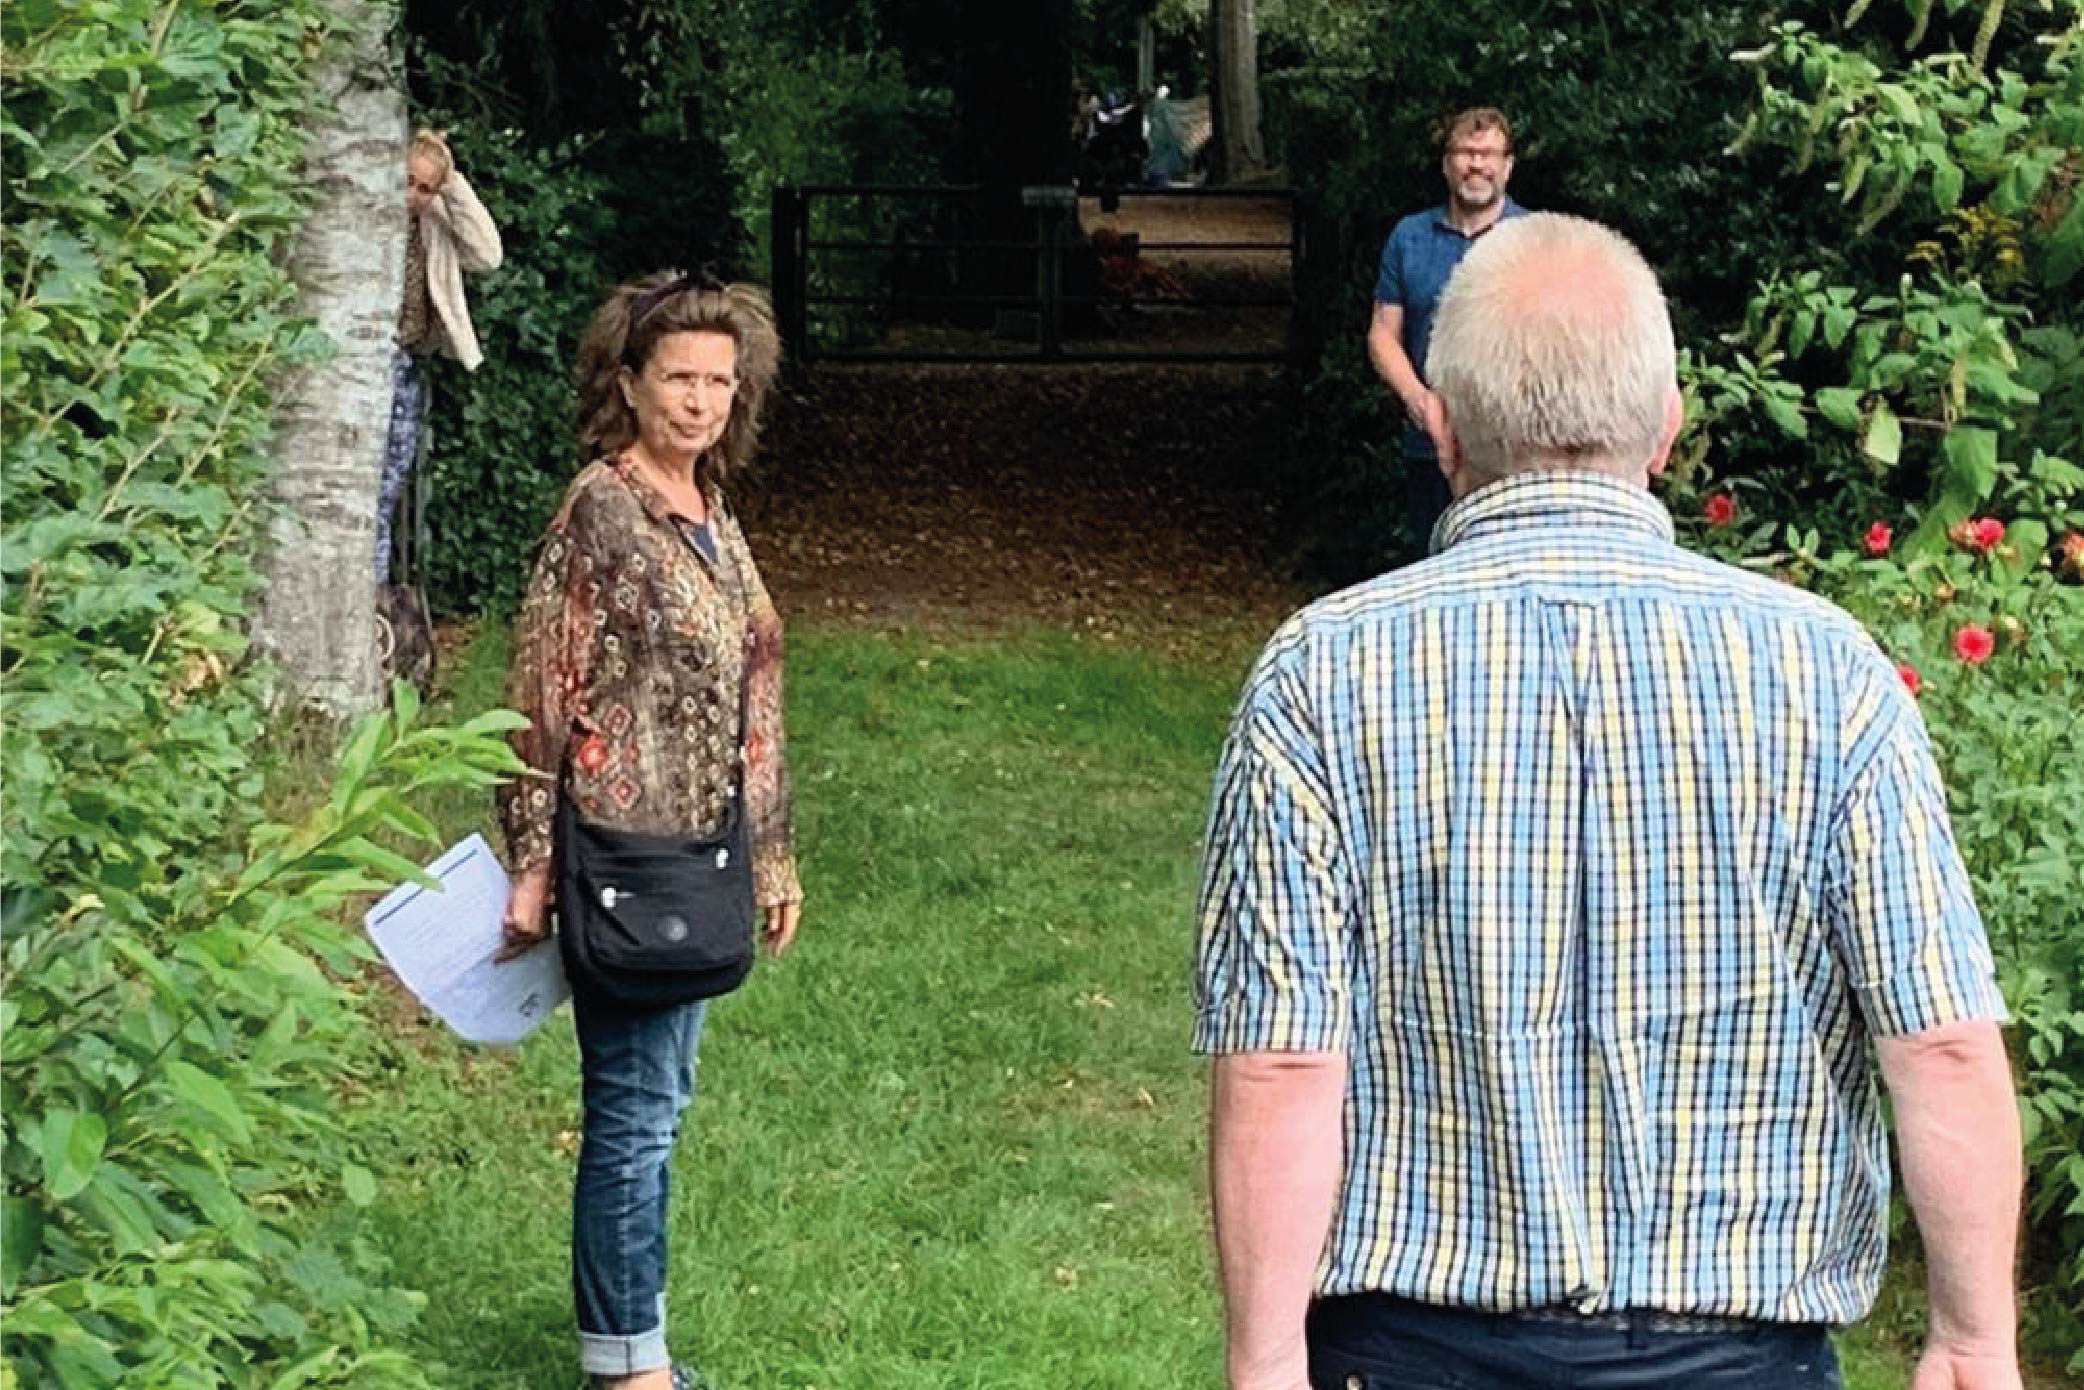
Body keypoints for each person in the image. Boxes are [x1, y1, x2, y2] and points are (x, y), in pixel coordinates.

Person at [1195, 214, 2022, 1390]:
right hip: (1743, 1362)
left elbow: (1280, 1060)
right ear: (1667, 427)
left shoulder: (1319, 676)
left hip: (1407, 1352)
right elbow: (1937, 1039)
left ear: (1441, 426)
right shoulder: (1827, 674)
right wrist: (1973, 1338)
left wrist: (1266, 1360)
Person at [496, 271, 805, 1390]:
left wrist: (772, 854)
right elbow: (539, 694)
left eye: (719, 381)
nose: (700, 400)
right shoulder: (604, 512)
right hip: (624, 858)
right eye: (678, 378)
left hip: (702, 857)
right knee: (632, 1114)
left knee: (658, 1108)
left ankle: (635, 1345)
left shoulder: (708, 508)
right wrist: (534, 862)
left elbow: (753, 689)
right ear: (626, 384)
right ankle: (629, 1369)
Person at [1366, 106, 1527, 552]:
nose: (1477, 164)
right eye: (1465, 153)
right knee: (1434, 562)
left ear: (1507, 166)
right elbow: (1382, 333)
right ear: (1446, 164)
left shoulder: (1534, 238)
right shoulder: (1408, 237)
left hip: (1514, 450)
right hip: (1430, 446)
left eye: (1488, 154)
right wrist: (1418, 400)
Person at [376, 128, 503, 585]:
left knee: (389, 484)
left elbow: (487, 255)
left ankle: (375, 591)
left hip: (407, 360)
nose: (412, 195)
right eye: (407, 181)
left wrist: (452, 187)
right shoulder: (368, 220)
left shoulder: (434, 221)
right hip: (370, 358)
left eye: (425, 188)